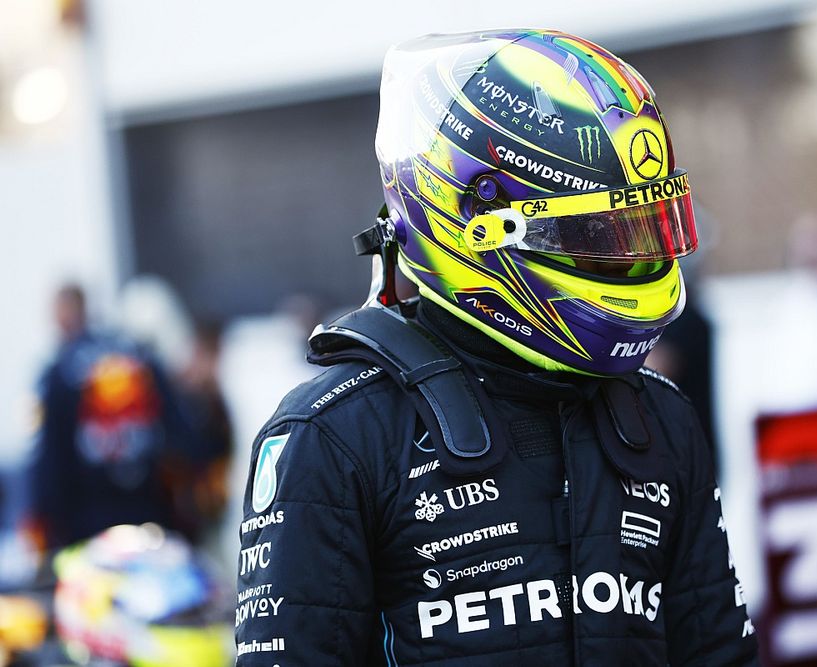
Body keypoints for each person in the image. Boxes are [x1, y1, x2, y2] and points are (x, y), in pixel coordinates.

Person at [236, 30, 757, 665]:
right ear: (475, 220)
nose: (625, 261)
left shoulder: (660, 419)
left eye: (636, 233)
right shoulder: (334, 437)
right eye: (595, 235)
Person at [25, 283, 198, 550]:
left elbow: (50, 458)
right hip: (149, 512)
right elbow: (181, 435)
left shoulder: (60, 372)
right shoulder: (139, 357)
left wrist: (46, 520)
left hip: (86, 521)